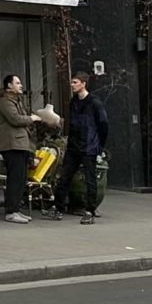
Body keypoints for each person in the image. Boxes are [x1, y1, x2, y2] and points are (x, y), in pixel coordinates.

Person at [0, 74, 46, 222]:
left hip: (21, 145)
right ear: (9, 86)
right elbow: (15, 119)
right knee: (15, 178)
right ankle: (11, 211)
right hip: (12, 145)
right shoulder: (4, 102)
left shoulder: (17, 101)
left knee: (21, 178)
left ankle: (15, 209)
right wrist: (32, 119)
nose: (20, 85)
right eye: (17, 83)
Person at [59, 74, 109, 223]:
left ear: (83, 84)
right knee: (65, 177)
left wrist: (99, 145)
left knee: (90, 179)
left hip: (89, 145)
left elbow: (103, 124)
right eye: (72, 82)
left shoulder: (94, 103)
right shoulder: (74, 102)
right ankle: (58, 207)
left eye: (75, 82)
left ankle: (90, 210)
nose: (72, 85)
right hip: (74, 145)